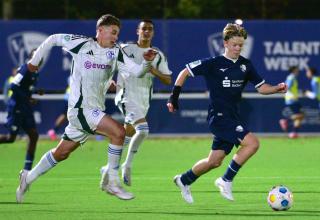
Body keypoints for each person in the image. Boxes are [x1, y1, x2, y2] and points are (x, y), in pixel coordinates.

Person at [15, 14, 157, 203]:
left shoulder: (116, 52)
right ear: (100, 30)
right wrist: (33, 63)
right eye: (113, 32)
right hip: (80, 109)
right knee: (118, 133)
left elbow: (138, 71)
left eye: (117, 33)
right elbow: (53, 39)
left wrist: (146, 61)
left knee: (61, 153)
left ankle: (28, 177)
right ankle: (112, 182)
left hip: (93, 110)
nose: (115, 37)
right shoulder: (82, 44)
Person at [167, 23, 287, 204]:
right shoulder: (213, 64)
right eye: (235, 44)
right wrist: (173, 98)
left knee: (214, 161)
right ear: (225, 43)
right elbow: (184, 72)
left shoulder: (246, 65)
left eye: (241, 45)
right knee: (252, 144)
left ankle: (184, 180)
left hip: (233, 116)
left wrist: (277, 88)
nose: (238, 48)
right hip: (219, 117)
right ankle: (225, 180)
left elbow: (261, 88)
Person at [101, 19, 172, 186]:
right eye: (144, 29)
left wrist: (152, 69)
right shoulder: (126, 49)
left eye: (150, 29)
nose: (147, 31)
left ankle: (108, 168)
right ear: (137, 31)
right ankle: (127, 165)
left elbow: (168, 79)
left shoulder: (157, 55)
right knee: (143, 130)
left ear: (153, 33)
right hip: (125, 95)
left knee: (127, 135)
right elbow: (108, 65)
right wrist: (107, 82)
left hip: (143, 100)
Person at [0, 50, 40, 173]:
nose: (39, 58)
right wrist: (27, 97)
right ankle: (27, 170)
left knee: (34, 136)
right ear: (31, 57)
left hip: (25, 108)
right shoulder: (25, 69)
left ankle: (27, 170)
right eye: (37, 55)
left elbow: (25, 89)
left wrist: (33, 94)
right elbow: (13, 86)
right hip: (16, 107)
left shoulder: (35, 72)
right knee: (10, 138)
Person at [279, 66, 304, 138]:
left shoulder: (292, 77)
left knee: (300, 116)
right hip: (291, 99)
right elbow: (287, 87)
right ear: (293, 70)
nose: (298, 70)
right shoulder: (291, 77)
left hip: (294, 99)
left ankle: (294, 133)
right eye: (297, 69)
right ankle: (285, 121)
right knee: (300, 115)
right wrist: (291, 96)